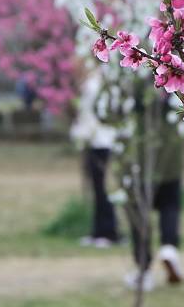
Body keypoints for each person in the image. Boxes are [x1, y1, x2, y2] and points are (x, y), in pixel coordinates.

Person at [124, 89, 184, 292]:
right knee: (170, 206)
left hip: (140, 160)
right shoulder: (176, 79)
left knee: (139, 215)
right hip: (169, 159)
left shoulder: (133, 84)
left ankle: (144, 269)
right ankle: (169, 249)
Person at [70, 70, 120, 248]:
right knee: (97, 188)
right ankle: (98, 230)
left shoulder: (99, 82)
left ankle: (110, 231)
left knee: (103, 187)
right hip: (93, 140)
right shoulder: (90, 81)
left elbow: (96, 113)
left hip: (102, 140)